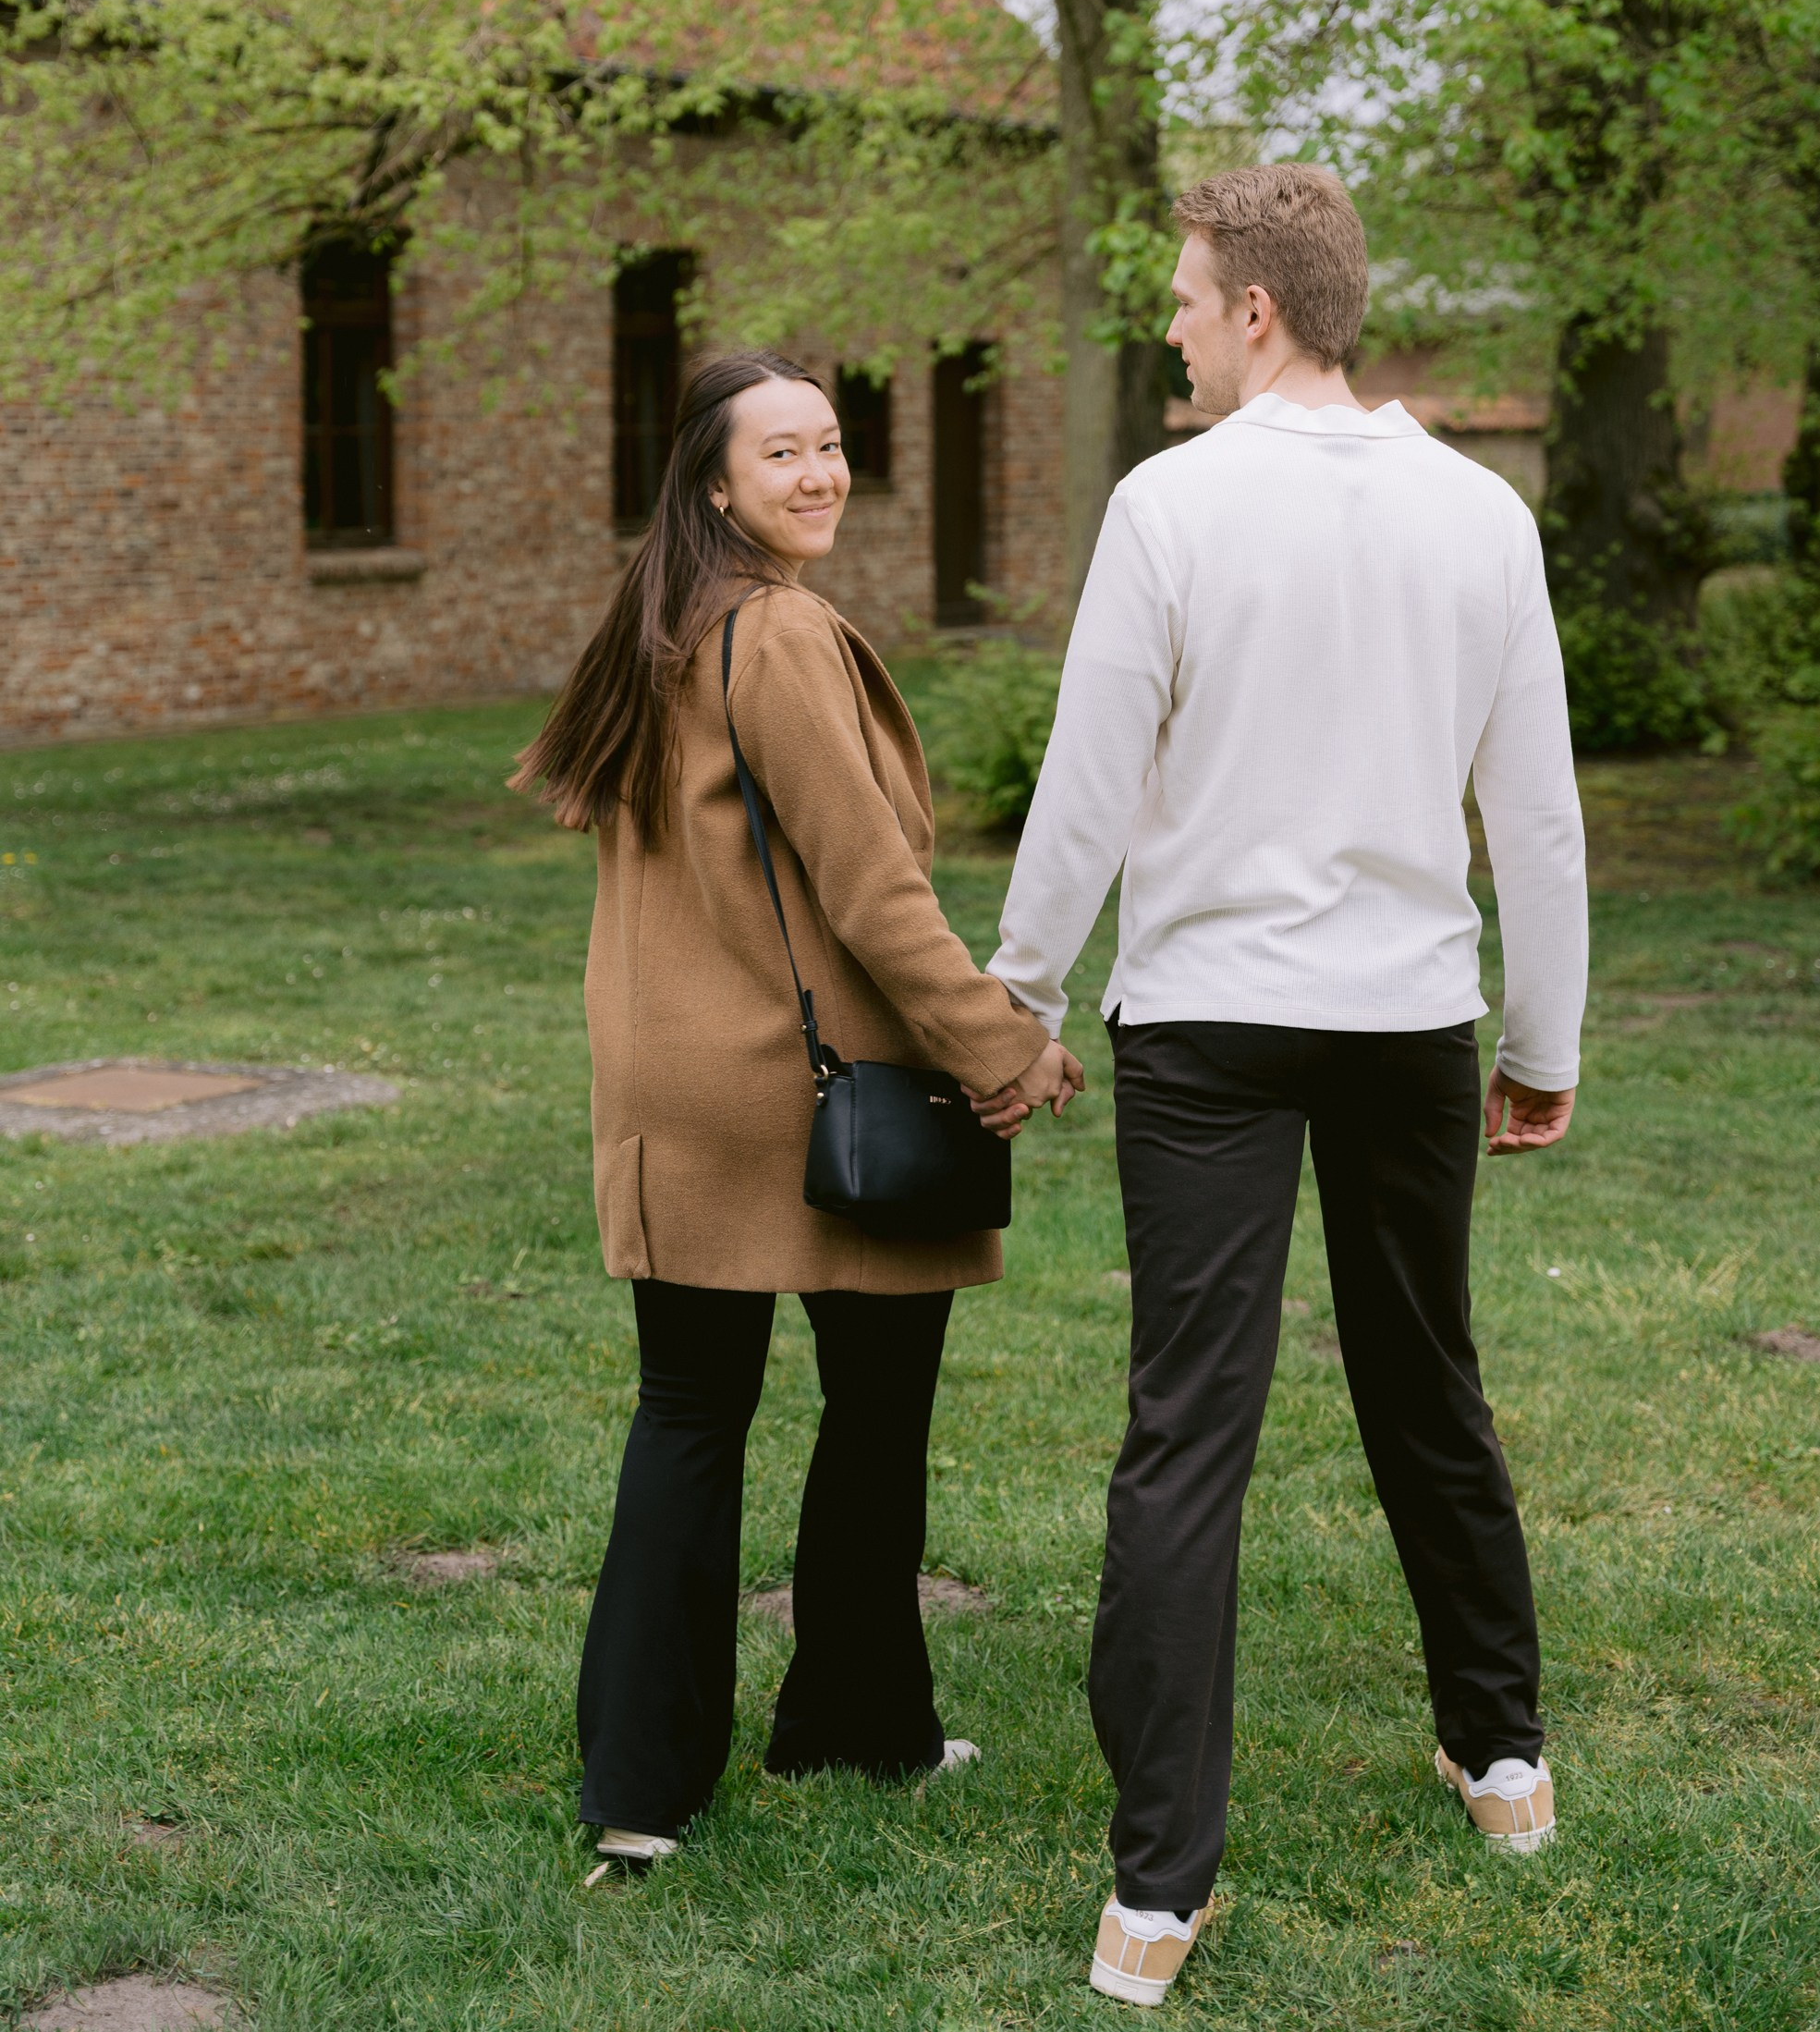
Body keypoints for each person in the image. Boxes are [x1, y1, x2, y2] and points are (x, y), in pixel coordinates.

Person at [978, 165, 1587, 2010]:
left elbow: (1087, 781)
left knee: (1188, 1427)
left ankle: (1153, 1896)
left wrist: (1020, 992)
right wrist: (1539, 1043)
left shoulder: (1168, 506)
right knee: (1425, 1382)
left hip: (1207, 1027)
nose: (1170, 329)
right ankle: (1503, 1762)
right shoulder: (1479, 515)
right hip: (1403, 1023)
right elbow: (1535, 817)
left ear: (1255, 308)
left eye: (1183, 298)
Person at [513, 345, 1081, 1879]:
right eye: (781, 453)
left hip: (676, 1085)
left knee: (690, 1414)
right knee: (874, 1407)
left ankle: (647, 1780)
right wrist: (1000, 1046)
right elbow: (870, 885)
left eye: (828, 443)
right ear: (713, 483)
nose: (819, 472)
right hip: (816, 1090)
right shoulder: (772, 632)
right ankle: (852, 1716)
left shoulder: (663, 624)